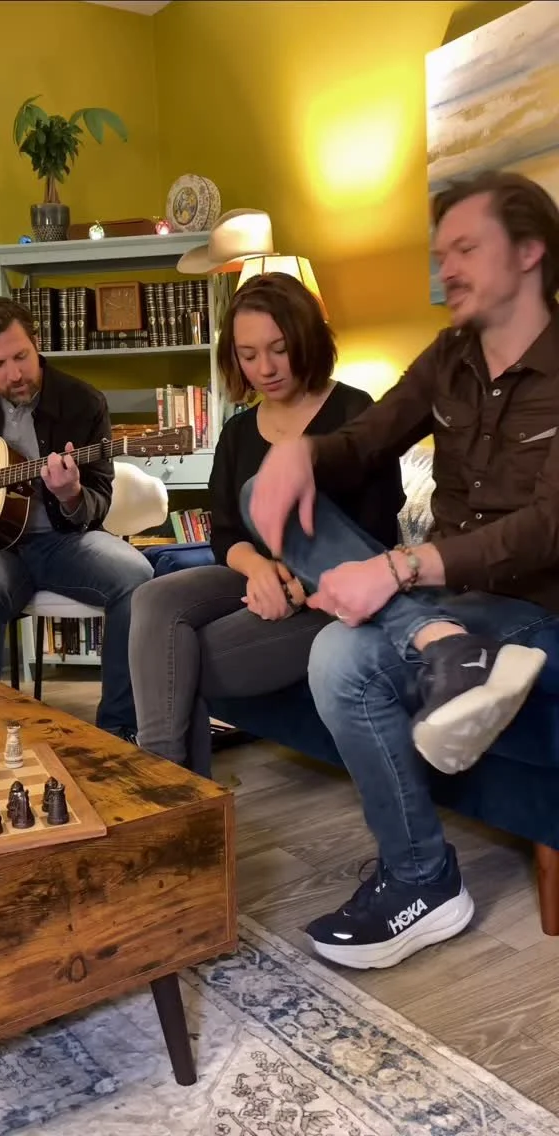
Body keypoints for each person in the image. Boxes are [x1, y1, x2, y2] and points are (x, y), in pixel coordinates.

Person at [246, 170, 558, 971]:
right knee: (261, 489)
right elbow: (367, 438)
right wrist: (300, 454)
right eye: (440, 251)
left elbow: (547, 530)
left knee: (340, 654)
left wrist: (400, 566)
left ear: (529, 252)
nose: (446, 268)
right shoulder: (450, 355)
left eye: (465, 248)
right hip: (456, 604)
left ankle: (420, 874)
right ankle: (442, 648)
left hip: (537, 608)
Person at [129, 272, 404, 776]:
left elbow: (377, 534)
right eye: (248, 354)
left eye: (279, 349)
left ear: (307, 339)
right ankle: (166, 781)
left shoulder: (356, 413)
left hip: (335, 592)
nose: (265, 368)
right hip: (260, 574)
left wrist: (295, 587)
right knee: (151, 598)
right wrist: (257, 569)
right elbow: (226, 532)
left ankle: (171, 792)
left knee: (179, 659)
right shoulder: (238, 431)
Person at [0, 295, 152, 738]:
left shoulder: (83, 402)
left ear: (37, 341)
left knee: (137, 578)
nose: (15, 374)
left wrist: (71, 495)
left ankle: (119, 730)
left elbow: (100, 496)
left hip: (63, 541)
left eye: (22, 356)